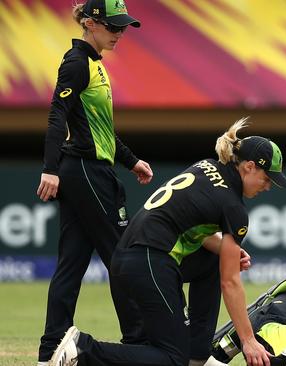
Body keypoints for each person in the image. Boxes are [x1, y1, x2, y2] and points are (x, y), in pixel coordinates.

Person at [49, 119, 286, 366]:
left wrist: (226, 249)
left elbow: (192, 225)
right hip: (149, 263)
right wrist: (248, 340)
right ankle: (82, 348)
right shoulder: (233, 207)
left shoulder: (206, 167)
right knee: (173, 359)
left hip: (130, 258)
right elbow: (230, 282)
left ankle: (197, 356)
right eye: (267, 178)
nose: (268, 186)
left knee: (213, 260)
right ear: (249, 167)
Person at [35, 1, 153, 364]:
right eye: (113, 27)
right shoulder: (76, 63)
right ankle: (138, 339)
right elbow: (58, 114)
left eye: (122, 28)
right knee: (121, 254)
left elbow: (101, 130)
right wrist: (50, 168)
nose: (119, 34)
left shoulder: (95, 65)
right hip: (84, 170)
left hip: (88, 169)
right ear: (89, 23)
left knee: (71, 261)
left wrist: (131, 161)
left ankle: (51, 347)